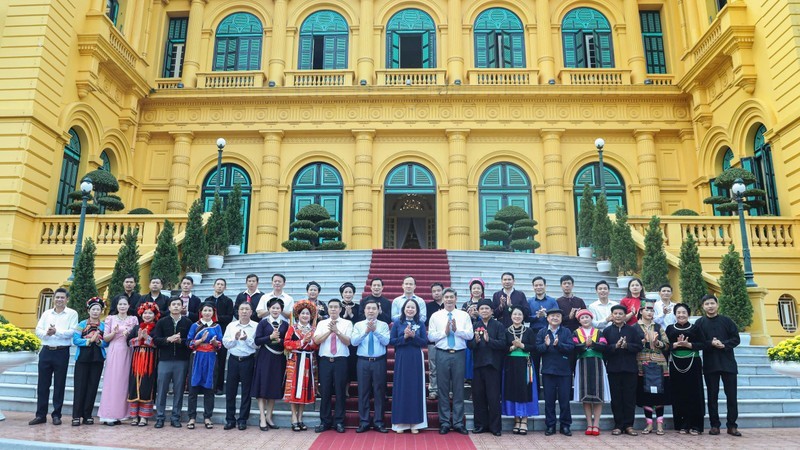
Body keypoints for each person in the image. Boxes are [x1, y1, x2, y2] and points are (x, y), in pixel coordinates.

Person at [30, 287, 78, 426]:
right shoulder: (46, 314)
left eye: (62, 297)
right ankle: (40, 415)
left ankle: (57, 415)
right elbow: (38, 330)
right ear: (54, 299)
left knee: (59, 384)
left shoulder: (72, 314)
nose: (59, 300)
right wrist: (47, 333)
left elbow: (72, 332)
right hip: (46, 351)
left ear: (67, 299)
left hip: (61, 352)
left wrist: (56, 332)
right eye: (57, 297)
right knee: (42, 385)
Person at [428, 288, 473, 435]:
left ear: (456, 298)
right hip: (442, 353)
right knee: (443, 389)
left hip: (459, 354)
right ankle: (445, 422)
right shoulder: (436, 316)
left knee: (459, 389)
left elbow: (470, 335)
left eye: (451, 297)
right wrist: (445, 332)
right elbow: (431, 337)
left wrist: (457, 330)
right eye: (446, 297)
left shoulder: (463, 315)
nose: (448, 300)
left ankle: (459, 422)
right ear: (442, 298)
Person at [695, 294, 742, 437]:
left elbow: (736, 339)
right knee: (712, 396)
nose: (710, 306)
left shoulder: (727, 321)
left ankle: (732, 425)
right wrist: (711, 343)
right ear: (703, 307)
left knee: (732, 396)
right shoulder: (700, 323)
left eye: (712, 303)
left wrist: (724, 344)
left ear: (717, 305)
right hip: (710, 365)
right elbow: (698, 342)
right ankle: (714, 425)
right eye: (707, 304)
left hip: (728, 364)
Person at [603, 304, 644, 436]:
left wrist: (627, 346)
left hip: (630, 369)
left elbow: (639, 346)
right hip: (613, 369)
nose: (618, 316)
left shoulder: (632, 330)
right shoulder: (607, 331)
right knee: (616, 398)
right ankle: (618, 425)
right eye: (615, 314)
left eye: (621, 314)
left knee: (629, 398)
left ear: (625, 315)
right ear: (612, 316)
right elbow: (604, 349)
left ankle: (629, 425)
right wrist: (615, 346)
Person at [665, 303, 705, 435]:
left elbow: (703, 344)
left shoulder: (695, 328)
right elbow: (665, 346)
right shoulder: (670, 329)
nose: (681, 315)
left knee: (694, 393)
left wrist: (690, 344)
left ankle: (696, 425)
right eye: (678, 312)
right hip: (676, 363)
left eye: (684, 312)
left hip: (693, 362)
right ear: (675, 314)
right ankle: (682, 424)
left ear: (688, 314)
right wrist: (674, 345)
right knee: (679, 393)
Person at [390, 298, 429, 434]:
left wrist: (413, 337)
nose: (410, 309)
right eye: (408, 307)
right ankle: (401, 423)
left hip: (415, 357)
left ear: (417, 310)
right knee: (402, 387)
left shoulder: (421, 324)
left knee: (415, 387)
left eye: (413, 307)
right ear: (403, 309)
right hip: (402, 356)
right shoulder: (397, 323)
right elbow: (392, 341)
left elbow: (424, 341)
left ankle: (415, 422)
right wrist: (405, 338)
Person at [351, 300, 391, 433]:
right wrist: (366, 332)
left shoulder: (384, 325)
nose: (371, 311)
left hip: (379, 361)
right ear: (364, 310)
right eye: (368, 308)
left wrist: (376, 331)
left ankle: (379, 421)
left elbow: (386, 341)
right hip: (363, 361)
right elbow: (354, 342)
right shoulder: (358, 325)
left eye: (374, 308)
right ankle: (364, 421)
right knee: (363, 391)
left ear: (378, 310)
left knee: (379, 392)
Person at [313, 299, 352, 433]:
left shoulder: (347, 323)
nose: (333, 309)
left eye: (336, 307)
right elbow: (316, 340)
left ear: (340, 309)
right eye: (331, 307)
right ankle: (325, 421)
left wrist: (337, 331)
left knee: (340, 391)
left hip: (341, 361)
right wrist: (329, 332)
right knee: (325, 392)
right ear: (328, 309)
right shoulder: (322, 323)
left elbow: (348, 342)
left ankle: (339, 422)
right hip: (325, 361)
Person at [153, 297, 192, 429]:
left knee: (179, 390)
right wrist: (168, 339)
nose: (176, 306)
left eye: (178, 304)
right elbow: (156, 340)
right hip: (164, 360)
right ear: (169, 307)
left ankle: (176, 417)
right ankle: (160, 417)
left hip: (181, 361)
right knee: (162, 389)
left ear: (182, 307)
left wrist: (180, 341)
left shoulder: (187, 322)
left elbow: (190, 341)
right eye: (173, 304)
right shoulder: (162, 322)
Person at [98, 296, 138, 425]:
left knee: (124, 382)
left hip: (128, 350)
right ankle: (108, 414)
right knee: (112, 382)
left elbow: (136, 338)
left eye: (124, 304)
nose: (122, 306)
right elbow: (106, 339)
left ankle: (122, 414)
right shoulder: (110, 319)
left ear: (128, 305)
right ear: (116, 306)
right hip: (115, 350)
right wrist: (114, 333)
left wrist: (129, 335)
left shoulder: (133, 319)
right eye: (120, 304)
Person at [468, 299, 505, 436]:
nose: (484, 311)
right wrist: (476, 341)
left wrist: (490, 341)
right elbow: (469, 345)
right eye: (481, 308)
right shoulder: (475, 325)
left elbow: (503, 344)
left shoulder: (498, 325)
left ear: (492, 311)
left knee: (493, 397)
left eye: (487, 308)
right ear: (478, 310)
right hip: (478, 366)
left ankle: (495, 427)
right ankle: (480, 425)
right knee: (478, 397)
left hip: (493, 366)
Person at [536, 308, 575, 436]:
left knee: (564, 400)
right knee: (549, 400)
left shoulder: (567, 331)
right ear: (547, 318)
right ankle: (550, 425)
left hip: (564, 371)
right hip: (548, 371)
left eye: (557, 316)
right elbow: (538, 349)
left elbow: (571, 347)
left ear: (561, 318)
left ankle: (565, 425)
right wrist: (546, 345)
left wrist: (559, 345)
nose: (555, 318)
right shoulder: (542, 332)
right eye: (552, 316)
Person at [252, 298, 288, 431]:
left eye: (278, 308)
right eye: (273, 308)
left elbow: (287, 342)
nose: (275, 310)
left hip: (278, 359)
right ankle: (262, 417)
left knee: (274, 387)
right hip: (264, 357)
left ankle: (269, 416)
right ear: (268, 309)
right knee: (262, 386)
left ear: (281, 310)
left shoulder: (285, 324)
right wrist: (270, 338)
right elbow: (257, 341)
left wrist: (279, 340)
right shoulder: (263, 323)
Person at [572, 309, 610, 436]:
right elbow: (574, 347)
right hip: (582, 363)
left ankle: (596, 424)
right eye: (582, 318)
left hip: (597, 363)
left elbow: (604, 346)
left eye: (587, 317)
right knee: (586, 395)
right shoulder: (575, 332)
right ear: (579, 320)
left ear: (591, 318)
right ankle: (589, 424)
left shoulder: (599, 332)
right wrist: (584, 345)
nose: (585, 319)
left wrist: (592, 344)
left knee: (598, 395)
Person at [71, 297, 108, 426]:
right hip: (83, 358)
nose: (95, 311)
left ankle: (87, 415)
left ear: (101, 311)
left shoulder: (104, 326)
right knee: (80, 386)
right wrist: (88, 341)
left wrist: (98, 341)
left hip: (97, 358)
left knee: (93, 387)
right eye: (93, 309)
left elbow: (106, 342)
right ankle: (76, 415)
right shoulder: (81, 324)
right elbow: (75, 340)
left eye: (98, 309)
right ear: (88, 310)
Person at [636, 302, 671, 435]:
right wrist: (643, 342)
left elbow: (667, 344)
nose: (650, 313)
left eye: (652, 311)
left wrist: (657, 343)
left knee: (659, 395)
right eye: (647, 310)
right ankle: (649, 424)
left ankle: (660, 424)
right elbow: (633, 345)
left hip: (659, 364)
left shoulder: (658, 326)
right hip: (642, 364)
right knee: (646, 395)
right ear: (641, 311)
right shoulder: (635, 328)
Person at [502, 306, 538, 435]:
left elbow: (534, 347)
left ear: (523, 317)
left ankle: (525, 420)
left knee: (525, 391)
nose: (517, 317)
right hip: (511, 364)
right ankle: (516, 419)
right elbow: (502, 348)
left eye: (520, 314)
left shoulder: (529, 331)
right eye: (515, 314)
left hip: (525, 364)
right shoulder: (506, 331)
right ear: (511, 317)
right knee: (513, 390)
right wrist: (512, 347)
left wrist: (522, 346)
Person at [284, 299, 319, 431]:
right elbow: (286, 343)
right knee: (294, 389)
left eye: (308, 314)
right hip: (296, 359)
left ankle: (300, 417)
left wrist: (310, 343)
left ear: (311, 316)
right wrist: (302, 341)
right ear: (298, 315)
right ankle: (294, 417)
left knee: (305, 389)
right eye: (303, 313)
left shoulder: (314, 329)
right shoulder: (292, 328)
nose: (305, 316)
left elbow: (317, 345)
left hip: (308, 362)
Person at [186, 302, 223, 430]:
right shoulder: (194, 326)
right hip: (197, 357)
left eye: (210, 310)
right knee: (193, 389)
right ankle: (192, 417)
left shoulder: (216, 326)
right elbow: (189, 343)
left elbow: (220, 344)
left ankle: (207, 417)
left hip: (211, 358)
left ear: (213, 313)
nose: (207, 313)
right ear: (201, 312)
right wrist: (200, 341)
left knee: (209, 389)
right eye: (205, 310)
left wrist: (214, 342)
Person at [222, 302, 258, 430]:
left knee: (246, 392)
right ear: (237, 311)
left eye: (247, 309)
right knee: (230, 391)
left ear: (251, 312)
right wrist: (235, 339)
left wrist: (247, 339)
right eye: (241, 309)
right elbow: (225, 343)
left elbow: (257, 345)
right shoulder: (231, 326)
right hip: (233, 360)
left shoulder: (255, 326)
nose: (244, 311)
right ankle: (230, 419)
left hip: (248, 360)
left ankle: (243, 419)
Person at [127, 301, 160, 427]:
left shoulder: (157, 327)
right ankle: (134, 416)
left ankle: (144, 417)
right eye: (145, 313)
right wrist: (138, 339)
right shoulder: (136, 328)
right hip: (136, 361)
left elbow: (158, 343)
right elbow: (128, 342)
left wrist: (147, 339)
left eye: (150, 313)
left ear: (154, 315)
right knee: (134, 386)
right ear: (141, 314)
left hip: (150, 361)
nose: (147, 315)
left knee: (147, 386)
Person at [203, 278, 234, 394]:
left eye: (222, 285)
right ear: (213, 286)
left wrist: (216, 318)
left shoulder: (228, 301)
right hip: (207, 332)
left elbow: (229, 317)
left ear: (225, 288)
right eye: (218, 284)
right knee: (207, 359)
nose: (219, 286)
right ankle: (207, 385)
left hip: (221, 333)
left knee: (220, 361)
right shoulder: (207, 300)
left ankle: (219, 386)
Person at [527, 276, 558, 390]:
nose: (538, 287)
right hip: (534, 334)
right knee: (534, 362)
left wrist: (547, 316)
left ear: (545, 286)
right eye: (536, 285)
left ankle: (549, 388)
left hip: (549, 333)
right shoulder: (529, 301)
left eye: (541, 285)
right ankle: (534, 389)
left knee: (548, 362)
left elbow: (557, 316)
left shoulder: (552, 301)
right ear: (533, 287)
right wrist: (536, 316)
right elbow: (525, 318)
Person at [462, 278, 484, 385]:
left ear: (482, 290)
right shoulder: (466, 304)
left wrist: (479, 315)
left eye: (478, 288)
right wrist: (469, 315)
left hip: (482, 331)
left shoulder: (485, 303)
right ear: (470, 290)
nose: (476, 290)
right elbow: (462, 319)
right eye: (474, 288)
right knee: (469, 355)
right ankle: (468, 377)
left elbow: (490, 317)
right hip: (469, 332)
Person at [426, 282, 445, 400]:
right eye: (434, 291)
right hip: (433, 341)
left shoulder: (450, 305)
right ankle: (433, 389)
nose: (437, 293)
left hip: (447, 341)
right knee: (433, 367)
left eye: (439, 290)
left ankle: (447, 390)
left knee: (446, 367)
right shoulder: (428, 307)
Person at [339, 282, 360, 386]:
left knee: (351, 363)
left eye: (350, 292)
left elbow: (360, 322)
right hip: (340, 340)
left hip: (353, 340)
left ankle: (348, 387)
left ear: (353, 293)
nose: (348, 294)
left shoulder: (359, 307)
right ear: (342, 294)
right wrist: (344, 315)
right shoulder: (337, 306)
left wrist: (351, 315)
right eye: (345, 292)